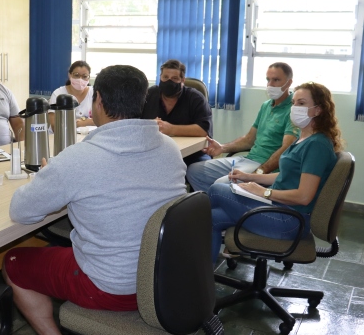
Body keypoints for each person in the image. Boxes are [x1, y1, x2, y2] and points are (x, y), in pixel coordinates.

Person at [2, 65, 187, 335]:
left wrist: (49, 177)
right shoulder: (169, 148)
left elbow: (21, 210)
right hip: (163, 278)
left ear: (98, 100)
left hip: (111, 288)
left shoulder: (78, 159)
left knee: (14, 262)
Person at [208, 82, 341, 263]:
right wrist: (249, 176)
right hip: (279, 210)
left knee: (216, 189)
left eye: (301, 103)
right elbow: (287, 176)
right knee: (211, 218)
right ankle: (203, 277)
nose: (294, 108)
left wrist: (263, 191)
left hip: (289, 221)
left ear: (318, 110)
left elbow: (304, 197)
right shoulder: (305, 138)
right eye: (294, 103)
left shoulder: (317, 145)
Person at [187, 62, 299, 192]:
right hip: (248, 159)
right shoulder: (266, 105)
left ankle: (220, 202)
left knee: (220, 184)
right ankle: (214, 205)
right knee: (194, 171)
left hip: (265, 167)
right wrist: (222, 147)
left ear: (289, 82)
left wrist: (259, 173)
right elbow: (249, 139)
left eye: (276, 80)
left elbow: (286, 149)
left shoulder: (293, 110)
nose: (270, 85)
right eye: (268, 80)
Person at [141, 59, 213, 166]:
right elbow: (134, 121)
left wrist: (170, 129)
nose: (169, 82)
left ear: (182, 80)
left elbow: (203, 130)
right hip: (154, 151)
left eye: (174, 79)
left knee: (202, 169)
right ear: (160, 77)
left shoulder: (195, 98)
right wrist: (150, 125)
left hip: (192, 155)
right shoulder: (149, 94)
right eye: (165, 77)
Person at [48, 61, 95, 132]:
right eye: (76, 75)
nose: (80, 79)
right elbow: (55, 125)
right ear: (70, 75)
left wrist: (79, 123)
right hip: (60, 137)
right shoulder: (58, 94)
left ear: (88, 78)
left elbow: (102, 121)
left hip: (87, 136)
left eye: (84, 76)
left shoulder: (94, 93)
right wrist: (86, 122)